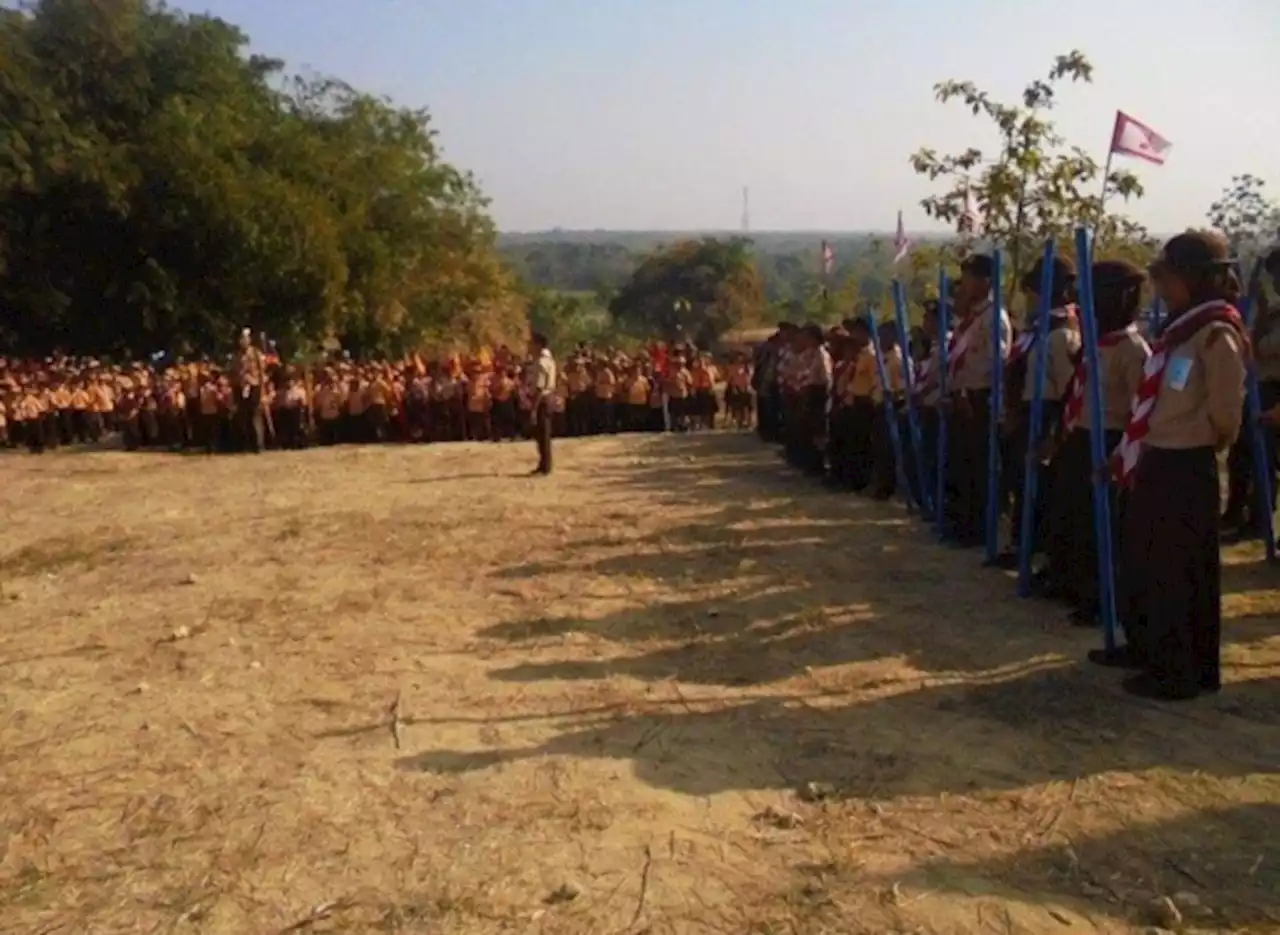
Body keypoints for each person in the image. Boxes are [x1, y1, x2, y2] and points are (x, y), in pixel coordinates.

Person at [1112, 230, 1249, 701]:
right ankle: (1148, 648)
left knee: (1179, 572)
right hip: (1157, 459)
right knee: (1146, 561)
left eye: (1166, 276)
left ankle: (1183, 669)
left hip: (1186, 466)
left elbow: (1226, 413)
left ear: (1194, 278)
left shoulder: (1215, 333)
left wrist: (1199, 441)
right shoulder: (1178, 331)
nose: (1160, 285)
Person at [945, 255, 1011, 547]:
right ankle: (962, 522)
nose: (965, 285)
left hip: (981, 396)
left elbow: (996, 364)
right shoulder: (969, 317)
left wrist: (979, 395)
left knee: (979, 465)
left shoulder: (993, 317)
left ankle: (978, 528)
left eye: (970, 278)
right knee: (961, 462)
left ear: (985, 281)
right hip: (963, 393)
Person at [232, 328, 267, 453]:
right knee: (243, 416)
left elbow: (262, 372)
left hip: (254, 385)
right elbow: (234, 372)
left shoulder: (256, 353)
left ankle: (258, 445)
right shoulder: (236, 356)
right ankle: (246, 444)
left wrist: (263, 390)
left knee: (255, 415)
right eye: (241, 338)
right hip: (241, 387)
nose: (243, 341)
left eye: (245, 338)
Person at [528, 332, 557, 475]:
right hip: (548, 397)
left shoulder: (540, 362)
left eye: (532, 343)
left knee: (543, 433)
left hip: (542, 398)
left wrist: (534, 408)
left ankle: (545, 465)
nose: (530, 346)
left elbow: (539, 387)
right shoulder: (549, 360)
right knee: (543, 433)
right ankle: (544, 464)